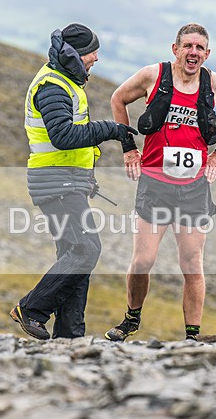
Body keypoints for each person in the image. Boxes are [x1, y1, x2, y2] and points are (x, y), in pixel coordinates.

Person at [105, 23, 216, 342]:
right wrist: (128, 148)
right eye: (188, 46)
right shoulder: (153, 76)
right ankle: (131, 319)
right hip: (154, 182)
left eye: (199, 48)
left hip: (194, 187)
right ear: (176, 49)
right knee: (143, 260)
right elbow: (118, 99)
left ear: (207, 54)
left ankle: (192, 336)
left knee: (192, 262)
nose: (193, 52)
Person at [9, 23, 137, 340]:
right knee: (86, 249)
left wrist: (85, 178)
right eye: (93, 53)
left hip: (67, 181)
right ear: (78, 55)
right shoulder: (52, 86)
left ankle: (69, 337)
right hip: (55, 182)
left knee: (74, 257)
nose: (96, 59)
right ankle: (31, 309)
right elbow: (64, 136)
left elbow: (69, 142)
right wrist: (112, 130)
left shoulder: (65, 81)